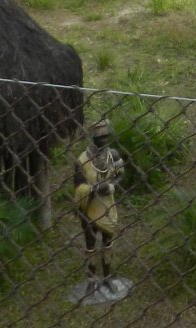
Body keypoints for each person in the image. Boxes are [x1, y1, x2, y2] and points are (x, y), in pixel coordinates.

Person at [74, 120, 124, 293]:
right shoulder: (82, 160)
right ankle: (91, 279)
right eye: (100, 137)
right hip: (89, 208)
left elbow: (120, 174)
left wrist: (113, 186)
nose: (104, 140)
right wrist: (94, 188)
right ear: (94, 138)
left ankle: (108, 277)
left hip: (107, 206)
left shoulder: (114, 155)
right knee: (90, 243)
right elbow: (78, 187)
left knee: (107, 242)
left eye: (106, 136)